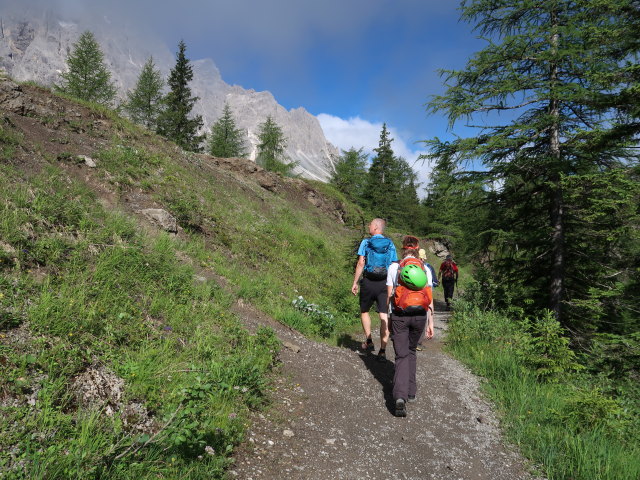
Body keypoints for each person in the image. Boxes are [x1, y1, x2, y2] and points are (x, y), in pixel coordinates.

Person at [386, 236, 433, 417]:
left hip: (400, 315)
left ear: (402, 249)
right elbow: (428, 297)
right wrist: (431, 323)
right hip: (420, 315)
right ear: (417, 248)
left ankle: (400, 396)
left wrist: (389, 318)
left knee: (401, 355)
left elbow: (390, 295)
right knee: (412, 351)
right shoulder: (425, 269)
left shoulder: (394, 267)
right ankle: (411, 392)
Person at [351, 218, 398, 360]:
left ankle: (369, 340)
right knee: (384, 315)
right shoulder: (390, 244)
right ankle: (383, 350)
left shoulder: (366, 242)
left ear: (376, 227)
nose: (369, 226)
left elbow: (360, 263)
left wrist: (355, 282)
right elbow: (394, 266)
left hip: (368, 282)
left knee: (364, 311)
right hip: (384, 283)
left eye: (370, 224)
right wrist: (394, 286)